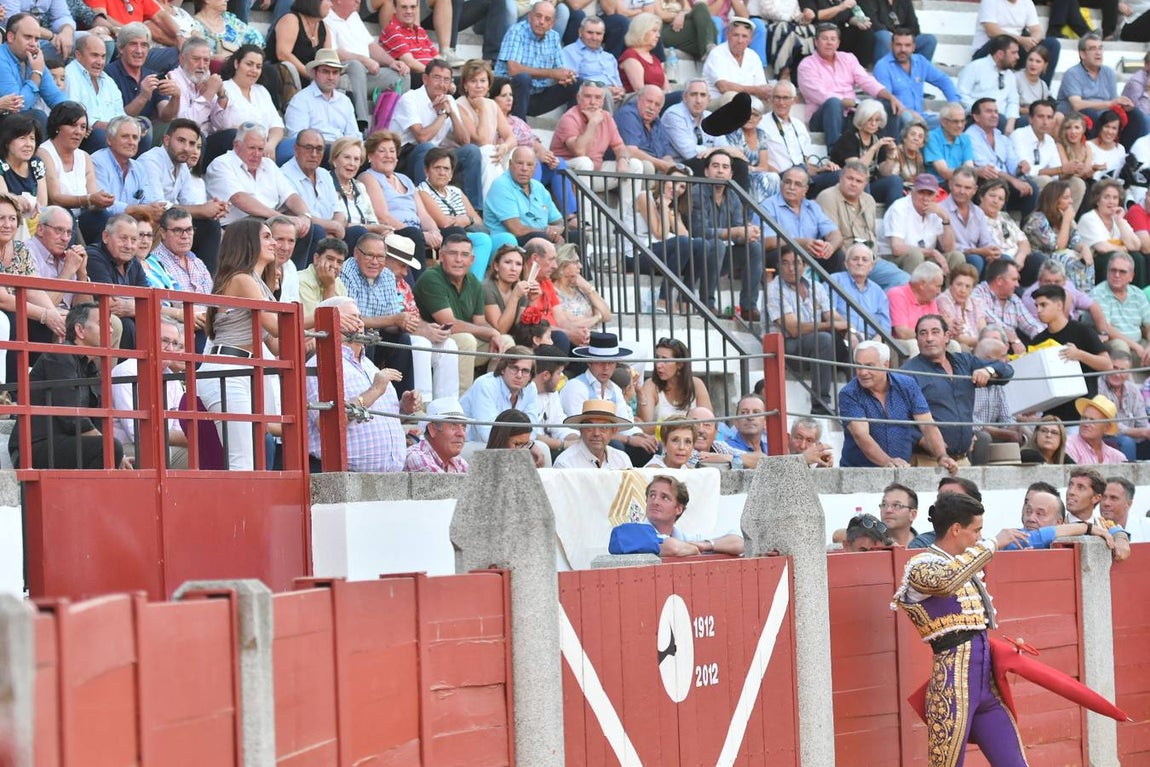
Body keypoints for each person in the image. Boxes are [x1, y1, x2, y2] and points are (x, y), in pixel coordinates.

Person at [892, 492, 1030, 767]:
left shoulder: (965, 565)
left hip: (985, 687)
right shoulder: (920, 565)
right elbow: (944, 583)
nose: (980, 537)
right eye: (976, 530)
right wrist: (992, 545)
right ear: (956, 529)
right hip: (950, 689)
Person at [201, 218, 281, 471]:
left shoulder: (259, 284)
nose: (274, 242)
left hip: (245, 371)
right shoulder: (242, 279)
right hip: (228, 369)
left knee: (255, 457)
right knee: (243, 460)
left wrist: (317, 332)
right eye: (267, 236)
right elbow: (278, 326)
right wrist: (325, 313)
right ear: (248, 242)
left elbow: (277, 344)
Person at [305, 295, 421, 471]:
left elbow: (380, 416)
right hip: (343, 478)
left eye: (359, 318)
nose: (359, 323)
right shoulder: (319, 365)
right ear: (327, 323)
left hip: (388, 481)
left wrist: (403, 407)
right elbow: (328, 424)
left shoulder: (371, 366)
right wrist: (374, 390)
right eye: (351, 318)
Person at [9, 302, 129, 470]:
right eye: (103, 324)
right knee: (110, 449)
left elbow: (97, 420)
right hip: (35, 446)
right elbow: (71, 417)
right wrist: (112, 449)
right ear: (80, 331)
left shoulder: (91, 367)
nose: (110, 330)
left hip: (68, 443)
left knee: (129, 461)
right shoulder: (60, 356)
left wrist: (118, 456)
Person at [901, 314, 1013, 465]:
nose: (929, 338)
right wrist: (922, 440)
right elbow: (897, 418)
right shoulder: (907, 373)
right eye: (923, 333)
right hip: (927, 460)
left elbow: (1006, 370)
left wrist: (988, 371)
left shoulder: (964, 361)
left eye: (935, 332)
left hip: (963, 459)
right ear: (917, 339)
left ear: (947, 336)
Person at [839, 339, 959, 473]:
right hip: (858, 472)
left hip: (900, 471)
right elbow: (861, 436)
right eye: (859, 366)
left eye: (869, 365)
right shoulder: (849, 393)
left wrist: (942, 456)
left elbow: (927, 424)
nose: (862, 372)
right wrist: (888, 462)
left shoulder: (907, 385)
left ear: (885, 365)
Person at [413, 233, 512, 393]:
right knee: (466, 341)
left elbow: (479, 321)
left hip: (457, 343)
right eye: (453, 253)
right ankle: (461, 402)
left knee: (506, 341)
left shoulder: (472, 281)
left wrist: (494, 335)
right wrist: (491, 331)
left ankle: (491, 396)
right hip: (432, 341)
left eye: (464, 255)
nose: (459, 260)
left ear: (472, 260)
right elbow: (449, 324)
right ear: (441, 256)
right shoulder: (431, 278)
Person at [205, 122, 316, 248]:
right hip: (238, 226)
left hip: (269, 220)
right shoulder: (222, 164)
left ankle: (292, 268)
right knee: (269, 228)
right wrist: (281, 218)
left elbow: (291, 195)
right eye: (252, 148)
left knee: (310, 229)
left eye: (261, 149)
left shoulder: (268, 164)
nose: (257, 154)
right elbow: (239, 199)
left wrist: (305, 216)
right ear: (236, 145)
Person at [765, 245, 845, 415]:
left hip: (811, 344)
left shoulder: (816, 287)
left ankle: (859, 402)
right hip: (785, 347)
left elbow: (834, 316)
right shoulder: (774, 289)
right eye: (785, 263)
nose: (791, 268)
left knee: (849, 343)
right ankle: (820, 403)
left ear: (805, 265)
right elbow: (793, 329)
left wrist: (848, 330)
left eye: (796, 263)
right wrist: (831, 325)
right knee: (823, 338)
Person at [796, 24, 902, 148]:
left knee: (887, 105)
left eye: (833, 39)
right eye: (824, 39)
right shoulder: (807, 65)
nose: (829, 43)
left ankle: (889, 151)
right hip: (824, 117)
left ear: (838, 43)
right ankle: (834, 154)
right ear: (816, 42)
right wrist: (845, 102)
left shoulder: (848, 58)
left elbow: (867, 81)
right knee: (834, 103)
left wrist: (890, 96)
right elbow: (819, 94)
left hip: (852, 114)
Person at [690, 150, 763, 319]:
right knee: (717, 244)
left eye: (725, 167)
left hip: (721, 256)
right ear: (707, 171)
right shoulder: (696, 192)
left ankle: (748, 307)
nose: (720, 171)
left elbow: (737, 228)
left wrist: (747, 233)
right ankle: (707, 304)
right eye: (715, 166)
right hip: (698, 255)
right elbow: (699, 231)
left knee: (754, 248)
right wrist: (735, 232)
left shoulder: (733, 196)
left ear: (731, 174)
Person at [110, 316, 190, 468]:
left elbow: (180, 426)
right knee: (194, 457)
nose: (170, 349)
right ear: (148, 340)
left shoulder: (171, 378)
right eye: (165, 341)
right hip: (125, 449)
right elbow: (138, 433)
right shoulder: (128, 371)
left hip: (161, 445)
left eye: (175, 343)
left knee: (203, 453)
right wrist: (190, 437)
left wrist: (189, 437)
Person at [635, 167, 718, 310]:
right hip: (638, 253)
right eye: (673, 182)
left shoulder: (673, 206)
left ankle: (685, 300)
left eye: (682, 186)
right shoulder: (644, 197)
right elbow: (659, 233)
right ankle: (664, 298)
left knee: (702, 244)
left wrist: (670, 212)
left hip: (661, 254)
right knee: (683, 243)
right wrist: (664, 209)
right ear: (664, 180)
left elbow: (686, 236)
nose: (677, 188)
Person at [817, 161, 908, 290]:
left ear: (865, 184)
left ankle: (875, 307)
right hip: (847, 260)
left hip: (871, 259)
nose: (853, 184)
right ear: (841, 178)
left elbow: (871, 233)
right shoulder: (827, 196)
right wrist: (854, 263)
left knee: (904, 281)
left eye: (859, 181)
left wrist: (869, 259)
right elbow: (832, 236)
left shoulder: (869, 200)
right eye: (850, 178)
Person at [1030, 284, 1111, 424]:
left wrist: (1079, 354)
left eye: (1043, 305)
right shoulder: (1038, 340)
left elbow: (1107, 365)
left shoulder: (1082, 330)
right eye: (1036, 306)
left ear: (1059, 305)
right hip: (1051, 418)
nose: (1039, 310)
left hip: (1081, 415)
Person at [1056, 33, 1147, 151]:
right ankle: (1093, 154)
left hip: (1104, 115)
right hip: (1078, 115)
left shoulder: (1108, 72)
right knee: (1091, 113)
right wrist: (1109, 104)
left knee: (1136, 115)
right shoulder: (1072, 74)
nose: (1098, 52)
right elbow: (1077, 105)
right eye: (1093, 49)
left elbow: (1114, 103)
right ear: (1082, 54)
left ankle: (1124, 154)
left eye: (1100, 48)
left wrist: (1124, 106)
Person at [494, 1, 578, 122]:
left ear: (552, 23)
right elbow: (513, 70)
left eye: (547, 19)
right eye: (538, 16)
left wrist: (566, 77)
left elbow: (559, 70)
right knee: (523, 78)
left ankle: (571, 127)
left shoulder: (553, 37)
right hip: (511, 96)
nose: (542, 22)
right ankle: (521, 129)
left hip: (537, 97)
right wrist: (551, 73)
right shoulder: (517, 31)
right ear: (530, 16)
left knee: (577, 83)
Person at [551, 80, 642, 189]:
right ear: (578, 98)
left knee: (635, 165)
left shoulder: (606, 117)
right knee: (584, 162)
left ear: (603, 102)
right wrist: (593, 122)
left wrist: (622, 159)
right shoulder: (570, 117)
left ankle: (628, 206)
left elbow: (619, 146)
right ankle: (585, 206)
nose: (593, 102)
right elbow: (580, 151)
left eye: (597, 98)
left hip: (594, 171)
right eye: (588, 96)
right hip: (566, 172)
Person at [662, 79, 750, 188]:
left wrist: (713, 150)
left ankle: (739, 204)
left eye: (703, 95)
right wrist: (716, 151)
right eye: (694, 95)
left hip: (705, 163)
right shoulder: (674, 115)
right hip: (680, 167)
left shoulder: (710, 116)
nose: (698, 100)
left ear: (709, 99)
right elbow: (689, 153)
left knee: (739, 164)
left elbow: (726, 148)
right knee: (704, 162)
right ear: (685, 97)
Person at [760, 79, 840, 197]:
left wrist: (820, 169)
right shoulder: (762, 123)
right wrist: (785, 178)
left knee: (840, 175)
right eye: (777, 97)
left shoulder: (799, 126)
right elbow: (761, 162)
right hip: (781, 178)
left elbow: (806, 163)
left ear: (794, 100)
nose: (781, 102)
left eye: (786, 98)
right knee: (798, 171)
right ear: (771, 99)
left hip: (803, 177)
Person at [37, 102, 114, 222]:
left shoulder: (84, 157)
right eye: (73, 125)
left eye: (83, 127)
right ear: (57, 127)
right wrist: (89, 199)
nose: (78, 132)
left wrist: (102, 200)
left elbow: (92, 197)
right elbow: (55, 198)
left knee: (104, 217)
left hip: (80, 218)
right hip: (53, 219)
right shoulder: (44, 153)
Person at [873, 27, 957, 131]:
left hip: (921, 117)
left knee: (955, 122)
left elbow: (943, 80)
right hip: (898, 119)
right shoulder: (883, 66)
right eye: (898, 45)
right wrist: (908, 112)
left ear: (913, 47)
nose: (903, 49)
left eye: (907, 45)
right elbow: (887, 102)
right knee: (909, 119)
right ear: (891, 46)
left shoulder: (920, 61)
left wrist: (954, 104)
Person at [879, 174, 964, 277]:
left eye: (929, 194)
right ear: (912, 192)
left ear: (935, 195)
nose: (925, 198)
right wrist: (932, 252)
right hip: (891, 258)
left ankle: (948, 293)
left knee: (956, 256)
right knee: (915, 255)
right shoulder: (899, 207)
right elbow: (897, 249)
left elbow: (949, 249)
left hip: (924, 257)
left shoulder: (936, 211)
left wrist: (945, 219)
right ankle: (909, 292)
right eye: (921, 192)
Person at [966, 97, 1038, 218]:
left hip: (1006, 181)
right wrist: (1014, 181)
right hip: (984, 181)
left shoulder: (1001, 137)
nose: (994, 115)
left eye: (996, 111)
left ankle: (1025, 229)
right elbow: (988, 169)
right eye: (989, 111)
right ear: (976, 117)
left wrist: (1021, 166)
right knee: (1000, 184)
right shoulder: (969, 136)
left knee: (1031, 187)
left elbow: (1012, 163)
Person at [282, 49, 359, 159]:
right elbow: (298, 139)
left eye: (335, 72)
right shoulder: (300, 100)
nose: (331, 77)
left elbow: (353, 135)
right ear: (315, 72)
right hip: (315, 153)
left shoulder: (345, 101)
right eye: (325, 71)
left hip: (343, 152)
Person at [484, 147, 569, 247]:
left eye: (529, 164)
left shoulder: (538, 187)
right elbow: (517, 230)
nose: (524, 168)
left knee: (576, 236)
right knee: (540, 238)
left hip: (540, 236)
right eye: (520, 163)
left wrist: (557, 230)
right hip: (509, 241)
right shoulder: (501, 185)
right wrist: (547, 232)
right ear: (510, 164)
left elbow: (558, 221)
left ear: (535, 167)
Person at [643, 475, 744, 556]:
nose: (655, 501)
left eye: (664, 498)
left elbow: (739, 543)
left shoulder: (683, 538)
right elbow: (673, 548)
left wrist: (707, 545)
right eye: (652, 495)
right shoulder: (637, 531)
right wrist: (693, 549)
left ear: (678, 509)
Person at [217, 45, 286, 163]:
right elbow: (224, 127)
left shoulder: (261, 91)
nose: (254, 70)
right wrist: (257, 145)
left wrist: (270, 145)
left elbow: (277, 126)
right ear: (236, 64)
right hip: (236, 149)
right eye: (249, 64)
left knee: (295, 146)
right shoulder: (224, 88)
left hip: (266, 147)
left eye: (258, 66)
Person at [1023, 180, 1093, 292]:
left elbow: (1076, 241)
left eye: (1070, 197)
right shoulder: (1037, 220)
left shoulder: (1065, 217)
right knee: (1067, 258)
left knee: (1085, 257)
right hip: (1039, 262)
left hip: (1059, 258)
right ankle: (1069, 296)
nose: (1071, 201)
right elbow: (1057, 247)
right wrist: (1066, 220)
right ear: (1053, 201)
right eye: (1066, 197)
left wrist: (1084, 248)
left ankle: (1084, 297)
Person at [281, 128, 348, 246]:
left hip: (331, 233)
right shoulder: (284, 175)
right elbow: (294, 215)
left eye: (319, 149)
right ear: (296, 149)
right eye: (308, 148)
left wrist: (334, 232)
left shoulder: (325, 174)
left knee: (358, 233)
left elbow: (339, 212)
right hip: (304, 234)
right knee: (317, 231)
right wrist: (333, 227)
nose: (314, 154)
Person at [106, 24, 182, 126]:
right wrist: (143, 96)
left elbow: (165, 116)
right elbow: (118, 120)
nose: (139, 51)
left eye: (144, 45)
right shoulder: (108, 74)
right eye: (133, 44)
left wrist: (175, 97)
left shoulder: (153, 75)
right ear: (120, 48)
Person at [969, 0, 1060, 85]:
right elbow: (992, 31)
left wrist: (1032, 41)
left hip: (1015, 50)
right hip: (989, 50)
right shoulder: (990, 1)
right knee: (1002, 40)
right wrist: (1021, 40)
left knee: (1052, 44)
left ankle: (1042, 90)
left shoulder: (1026, 2)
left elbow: (1037, 30)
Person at [0, 14, 67, 125]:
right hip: (5, 122)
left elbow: (55, 97)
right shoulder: (1, 58)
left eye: (36, 39)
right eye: (28, 37)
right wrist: (36, 74)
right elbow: (19, 107)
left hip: (19, 126)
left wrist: (75, 114)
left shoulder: (33, 59)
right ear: (11, 37)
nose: (33, 44)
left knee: (73, 122)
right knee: (37, 117)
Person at [62, 35, 124, 153]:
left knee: (140, 132)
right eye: (94, 55)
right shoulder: (69, 76)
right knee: (99, 135)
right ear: (78, 55)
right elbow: (72, 116)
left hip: (113, 133)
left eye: (103, 56)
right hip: (84, 136)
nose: (100, 62)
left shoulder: (108, 81)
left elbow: (120, 114)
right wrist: (114, 128)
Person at [1080, 181, 1147, 291]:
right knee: (1112, 257)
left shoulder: (1117, 219)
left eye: (1115, 198)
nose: (1111, 202)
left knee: (1137, 257)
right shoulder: (1089, 218)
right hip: (1094, 263)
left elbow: (1135, 246)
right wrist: (1124, 249)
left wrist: (1120, 221)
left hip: (1116, 260)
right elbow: (1102, 248)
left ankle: (1138, 296)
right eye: (1107, 197)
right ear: (1097, 200)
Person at [637, 337, 712, 433]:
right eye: (657, 358)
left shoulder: (696, 384)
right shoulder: (651, 385)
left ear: (680, 364)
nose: (658, 365)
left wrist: (661, 426)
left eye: (665, 360)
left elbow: (708, 423)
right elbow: (644, 427)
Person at [972, 259, 1044, 354]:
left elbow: (1031, 325)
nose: (1017, 285)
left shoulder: (1014, 299)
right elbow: (990, 319)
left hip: (1009, 350)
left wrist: (1045, 338)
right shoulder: (978, 293)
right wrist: (1013, 338)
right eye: (1014, 280)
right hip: (985, 350)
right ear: (999, 281)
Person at [940, 167, 999, 277]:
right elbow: (946, 247)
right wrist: (977, 251)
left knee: (1002, 260)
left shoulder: (978, 212)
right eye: (958, 186)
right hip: (954, 258)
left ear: (974, 190)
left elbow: (986, 241)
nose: (962, 191)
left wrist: (993, 251)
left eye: (967, 188)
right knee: (975, 259)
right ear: (950, 184)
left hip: (977, 255)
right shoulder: (941, 210)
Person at [827, 242, 892, 339]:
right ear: (846, 264)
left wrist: (876, 342)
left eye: (865, 260)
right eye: (855, 259)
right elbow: (828, 312)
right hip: (843, 335)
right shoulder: (835, 280)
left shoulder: (878, 292)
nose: (860, 263)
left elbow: (885, 325)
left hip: (873, 340)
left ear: (871, 267)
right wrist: (849, 330)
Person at [957, 35, 1021, 133]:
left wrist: (1011, 121)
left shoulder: (1010, 75)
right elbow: (961, 95)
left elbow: (1013, 101)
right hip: (976, 117)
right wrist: (981, 112)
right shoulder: (975, 67)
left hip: (1002, 118)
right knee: (999, 119)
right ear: (1000, 54)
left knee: (1025, 123)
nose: (1017, 57)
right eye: (1013, 53)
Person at [701, 15, 770, 104]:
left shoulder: (753, 56)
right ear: (728, 35)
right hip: (718, 104)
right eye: (736, 35)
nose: (740, 40)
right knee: (731, 97)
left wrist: (764, 92)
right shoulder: (717, 53)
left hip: (748, 104)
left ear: (750, 39)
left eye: (744, 36)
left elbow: (762, 88)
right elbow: (724, 87)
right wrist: (756, 90)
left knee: (775, 101)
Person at [978, 178, 1036, 282]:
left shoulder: (1005, 216)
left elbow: (1024, 242)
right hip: (997, 263)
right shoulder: (976, 216)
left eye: (1000, 199)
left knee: (1038, 259)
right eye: (992, 196)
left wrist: (1020, 257)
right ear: (982, 197)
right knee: (1005, 262)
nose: (996, 201)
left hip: (1017, 262)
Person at [268, 0, 334, 90]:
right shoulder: (291, 19)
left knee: (351, 67)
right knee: (289, 67)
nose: (331, 4)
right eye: (328, 0)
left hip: (315, 79)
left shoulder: (324, 27)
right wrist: (312, 75)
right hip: (286, 78)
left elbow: (328, 58)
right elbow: (283, 54)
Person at [1098, 349, 1150, 461]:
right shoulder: (1099, 386)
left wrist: (1144, 431)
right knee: (1127, 442)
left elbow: (1142, 422)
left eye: (1123, 370)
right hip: (1107, 436)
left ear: (1129, 372)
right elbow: (1109, 425)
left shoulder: (1133, 390)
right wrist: (1141, 432)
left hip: (1133, 436)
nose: (1117, 374)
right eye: (1114, 368)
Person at [0, 113, 48, 235]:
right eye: (22, 138)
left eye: (32, 138)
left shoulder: (36, 164)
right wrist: (16, 201)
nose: (29, 144)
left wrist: (37, 209)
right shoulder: (1, 165)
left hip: (32, 224)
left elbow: (42, 204)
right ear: (7, 141)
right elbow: (4, 201)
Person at [553, 397, 633, 469]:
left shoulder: (622, 460)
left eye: (603, 428)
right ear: (581, 429)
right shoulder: (565, 464)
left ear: (613, 431)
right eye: (589, 426)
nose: (596, 433)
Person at [561, 17, 624, 106]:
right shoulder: (570, 51)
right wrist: (603, 89)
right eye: (590, 33)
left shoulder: (609, 57)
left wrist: (621, 91)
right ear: (580, 32)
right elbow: (573, 83)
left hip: (615, 96)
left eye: (598, 34)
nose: (594, 37)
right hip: (591, 96)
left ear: (603, 35)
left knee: (640, 97)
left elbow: (619, 85)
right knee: (604, 94)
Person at [405, 395, 470, 473]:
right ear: (433, 429)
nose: (461, 433)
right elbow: (446, 484)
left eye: (464, 427)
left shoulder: (457, 461)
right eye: (453, 425)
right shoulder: (416, 457)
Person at [886, 261, 945, 342]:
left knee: (952, 344)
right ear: (922, 284)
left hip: (926, 342)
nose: (939, 291)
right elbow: (902, 333)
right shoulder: (897, 294)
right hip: (899, 346)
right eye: (938, 286)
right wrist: (931, 334)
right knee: (914, 344)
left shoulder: (930, 299)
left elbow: (937, 330)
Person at [936, 263, 987, 350]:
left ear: (972, 289)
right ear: (951, 284)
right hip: (956, 347)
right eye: (959, 284)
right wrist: (982, 342)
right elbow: (955, 336)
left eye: (968, 286)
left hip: (977, 347)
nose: (963, 290)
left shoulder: (975, 302)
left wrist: (985, 341)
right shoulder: (943, 300)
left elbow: (984, 331)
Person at [1065, 395, 1127, 464]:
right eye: (1084, 418)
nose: (1086, 424)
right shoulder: (1068, 445)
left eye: (1092, 421)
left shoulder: (1118, 457)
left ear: (1106, 427)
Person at [924, 102, 974, 184]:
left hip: (960, 183)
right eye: (955, 121)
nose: (960, 125)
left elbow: (969, 167)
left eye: (963, 121)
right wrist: (977, 172)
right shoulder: (932, 137)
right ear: (943, 122)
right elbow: (944, 173)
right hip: (938, 184)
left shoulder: (965, 138)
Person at [619, 13, 669, 95]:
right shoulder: (630, 56)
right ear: (642, 31)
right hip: (639, 102)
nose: (658, 35)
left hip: (658, 100)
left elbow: (667, 89)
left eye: (658, 31)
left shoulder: (655, 59)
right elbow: (640, 91)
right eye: (654, 31)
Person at [1087, 110, 1128, 181]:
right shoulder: (1088, 145)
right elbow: (1083, 176)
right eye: (1106, 126)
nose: (1110, 131)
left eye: (1114, 128)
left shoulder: (1120, 149)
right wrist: (1094, 169)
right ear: (1100, 127)